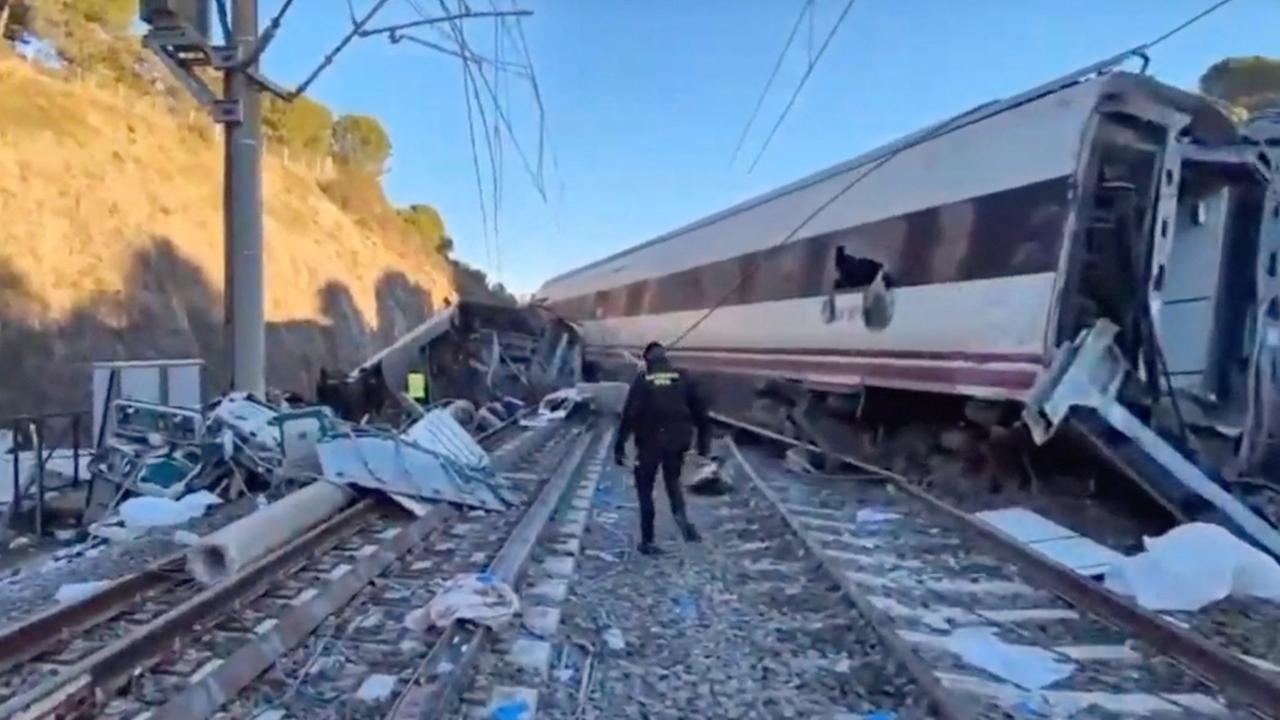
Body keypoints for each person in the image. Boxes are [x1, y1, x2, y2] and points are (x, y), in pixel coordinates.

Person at [613, 341, 710, 555]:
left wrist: (619, 446)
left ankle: (648, 540)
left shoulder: (644, 379)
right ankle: (683, 522)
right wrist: (704, 447)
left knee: (645, 488)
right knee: (673, 482)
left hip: (650, 441)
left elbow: (629, 414)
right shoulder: (682, 377)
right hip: (678, 440)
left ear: (647, 360)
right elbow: (701, 414)